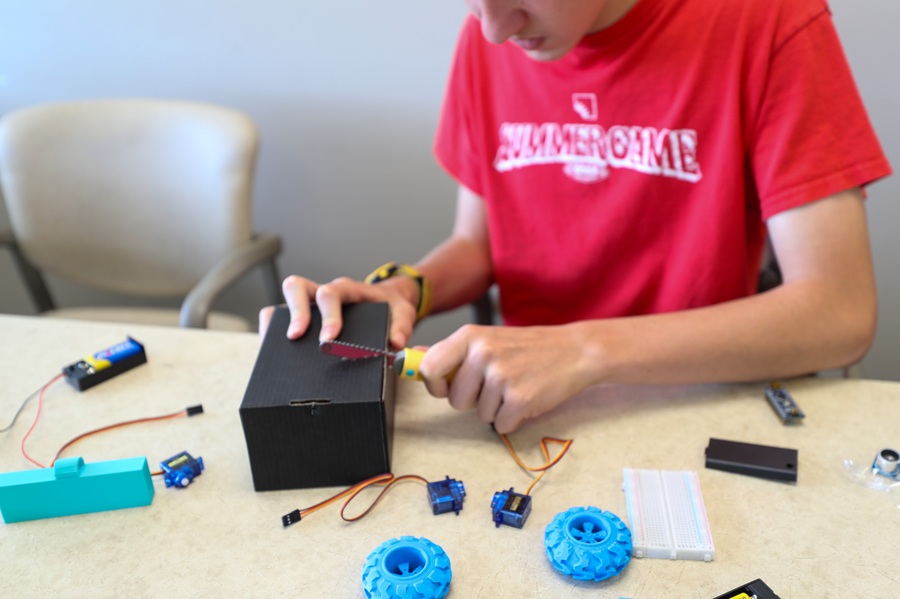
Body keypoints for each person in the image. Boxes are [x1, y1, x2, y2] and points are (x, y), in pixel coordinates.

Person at [261, 0, 891, 434]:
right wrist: (405, 289)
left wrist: (585, 348)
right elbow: (480, 243)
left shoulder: (766, 21)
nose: (494, 31)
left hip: (698, 398)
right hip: (526, 407)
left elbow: (839, 311)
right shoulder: (492, 34)